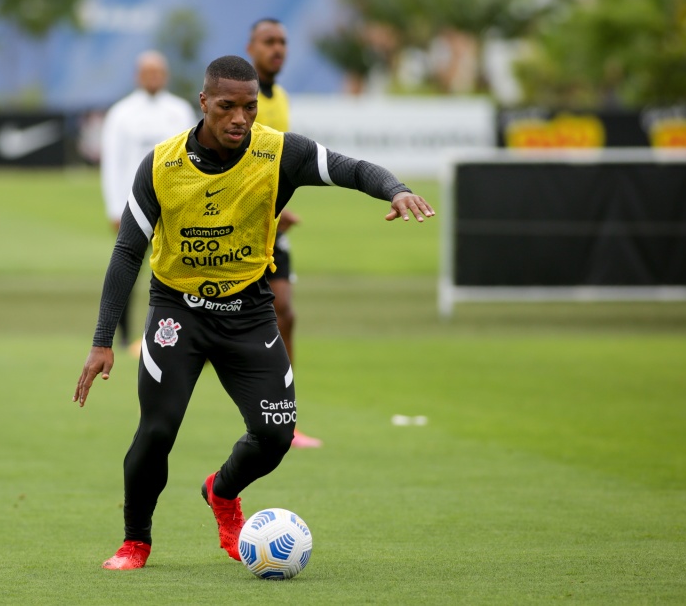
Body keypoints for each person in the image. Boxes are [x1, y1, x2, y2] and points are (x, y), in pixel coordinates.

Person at [74, 55, 434, 571]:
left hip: (248, 313)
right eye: (226, 107)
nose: (239, 118)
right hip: (179, 312)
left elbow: (351, 169)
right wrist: (102, 340)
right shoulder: (160, 165)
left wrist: (396, 189)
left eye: (248, 106)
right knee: (157, 431)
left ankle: (222, 492)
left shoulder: (279, 152)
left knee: (275, 436)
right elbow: (128, 252)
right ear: (204, 103)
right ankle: (136, 542)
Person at [246, 17, 321, 448]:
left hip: (271, 225)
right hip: (240, 227)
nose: (278, 49)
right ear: (250, 46)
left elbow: (276, 164)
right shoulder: (243, 97)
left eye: (283, 42)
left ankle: (285, 419)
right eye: (269, 41)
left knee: (285, 312)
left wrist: (281, 205)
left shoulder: (282, 98)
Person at [99, 50, 197, 355]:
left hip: (174, 207)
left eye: (157, 72)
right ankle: (126, 336)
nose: (153, 77)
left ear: (165, 75)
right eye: (147, 72)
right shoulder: (121, 113)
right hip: (134, 207)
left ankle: (177, 334)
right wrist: (115, 208)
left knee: (178, 271)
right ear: (137, 76)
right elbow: (112, 163)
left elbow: (193, 160)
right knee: (127, 270)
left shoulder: (180, 111)